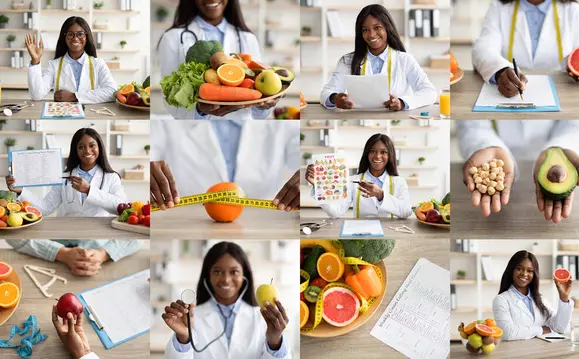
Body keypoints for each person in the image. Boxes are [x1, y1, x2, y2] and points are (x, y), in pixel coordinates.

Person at [162, 242, 290, 358]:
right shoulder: (189, 318)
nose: (226, 280)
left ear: (244, 276)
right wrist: (183, 337)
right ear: (208, 276)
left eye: (234, 272)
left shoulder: (263, 318)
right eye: (217, 272)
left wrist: (275, 341)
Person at [158, 0, 280, 120]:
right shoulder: (172, 38)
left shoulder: (248, 38)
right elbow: (172, 101)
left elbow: (259, 115)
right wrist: (199, 111)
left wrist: (263, 106)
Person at [458, 120, 579, 223]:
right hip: (497, 154)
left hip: (548, 150)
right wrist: (486, 145)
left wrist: (562, 147)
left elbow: (577, 124)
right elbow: (472, 125)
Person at [150, 120, 299, 212]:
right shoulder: (165, 123)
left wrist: (312, 174)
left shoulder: (285, 125)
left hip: (267, 222)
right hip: (188, 222)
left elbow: (306, 158)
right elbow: (150, 153)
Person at [320, 4, 436, 111]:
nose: (371, 35)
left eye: (377, 28)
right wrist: (335, 99)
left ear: (387, 28)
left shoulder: (405, 60)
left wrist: (402, 102)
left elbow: (429, 93)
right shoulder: (347, 61)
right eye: (365, 30)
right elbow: (326, 93)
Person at [472, 0, 579, 98]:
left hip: (563, 102)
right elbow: (483, 49)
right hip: (508, 103)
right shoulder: (498, 8)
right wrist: (500, 71)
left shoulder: (573, 11)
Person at [5, 128, 127, 217]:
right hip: (69, 234)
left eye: (92, 145)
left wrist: (89, 190)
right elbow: (45, 208)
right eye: (81, 147)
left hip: (98, 235)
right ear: (75, 151)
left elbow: (121, 207)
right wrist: (21, 190)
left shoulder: (111, 177)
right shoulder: (64, 176)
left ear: (99, 148)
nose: (87, 150)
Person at [305, 133, 412, 218]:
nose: (377, 156)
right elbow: (335, 212)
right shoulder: (353, 181)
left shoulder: (399, 181)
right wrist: (318, 186)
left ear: (390, 156)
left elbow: (406, 211)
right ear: (367, 154)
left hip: (389, 234)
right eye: (372, 151)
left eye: (383, 152)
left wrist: (381, 195)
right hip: (361, 234)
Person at [26, 16, 117, 104]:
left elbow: (112, 92)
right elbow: (37, 95)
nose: (75, 38)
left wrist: (73, 96)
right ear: (64, 37)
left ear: (87, 37)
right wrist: (35, 60)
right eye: (70, 34)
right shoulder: (53, 65)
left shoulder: (98, 64)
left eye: (80, 34)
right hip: (63, 117)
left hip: (90, 117)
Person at [493, 250, 573, 340]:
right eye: (519, 269)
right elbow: (508, 333)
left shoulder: (540, 299)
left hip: (541, 351)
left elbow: (560, 328)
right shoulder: (501, 300)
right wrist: (541, 329)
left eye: (530, 271)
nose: (524, 274)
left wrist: (564, 297)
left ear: (534, 274)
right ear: (511, 270)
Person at [6, 240, 140, 276]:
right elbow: (14, 237)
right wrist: (62, 253)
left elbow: (139, 237)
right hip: (49, 261)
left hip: (105, 266)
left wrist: (102, 254)